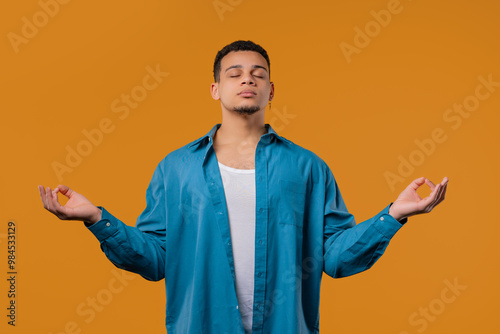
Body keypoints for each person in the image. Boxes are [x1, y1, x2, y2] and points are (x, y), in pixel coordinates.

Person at [38, 40, 448, 334]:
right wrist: (95, 218)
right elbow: (156, 260)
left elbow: (337, 258)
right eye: (234, 74)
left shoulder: (307, 168)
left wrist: (393, 214)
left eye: (258, 74)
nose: (247, 80)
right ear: (216, 89)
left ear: (271, 90)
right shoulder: (176, 169)